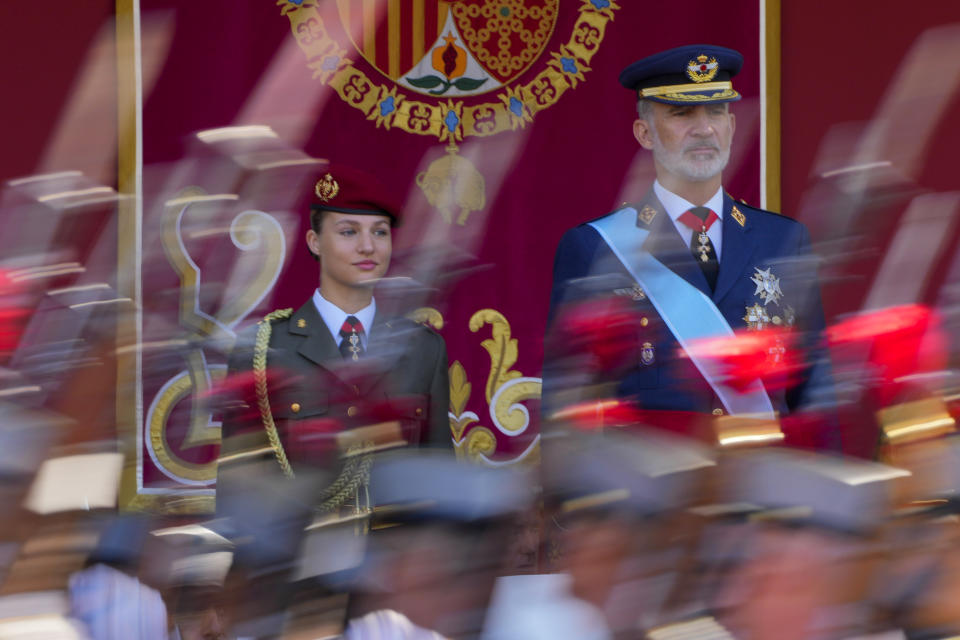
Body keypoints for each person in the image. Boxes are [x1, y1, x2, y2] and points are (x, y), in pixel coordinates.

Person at [544, 44, 834, 444]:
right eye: (682, 113)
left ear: (731, 126)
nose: (704, 128)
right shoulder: (595, 247)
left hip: (765, 490)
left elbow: (815, 391)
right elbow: (567, 406)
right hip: (651, 495)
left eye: (716, 112)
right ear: (644, 133)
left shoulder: (783, 240)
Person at [218, 163, 451, 498]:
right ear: (314, 241)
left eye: (380, 232)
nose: (368, 247)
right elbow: (238, 492)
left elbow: (438, 474)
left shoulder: (422, 347)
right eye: (349, 232)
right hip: (299, 544)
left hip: (392, 546)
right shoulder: (264, 348)